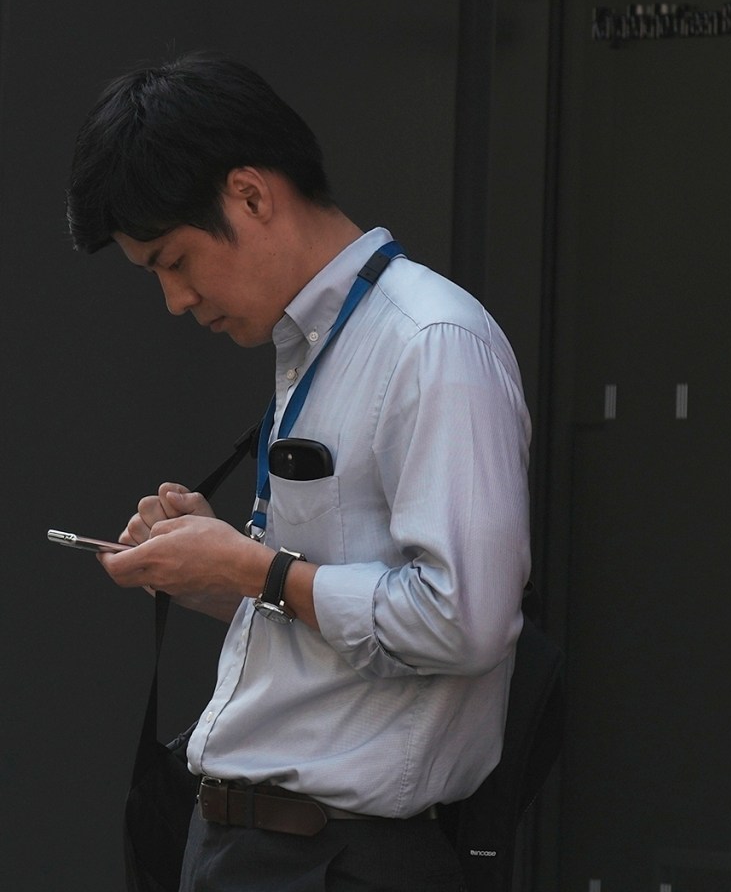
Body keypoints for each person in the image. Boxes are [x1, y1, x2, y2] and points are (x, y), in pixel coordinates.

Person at [67, 54, 531, 892]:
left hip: (340, 855)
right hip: (264, 848)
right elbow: (324, 615)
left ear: (250, 194)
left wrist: (251, 566)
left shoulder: (431, 342)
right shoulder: (316, 344)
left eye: (173, 261)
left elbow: (467, 621)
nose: (175, 300)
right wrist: (207, 566)